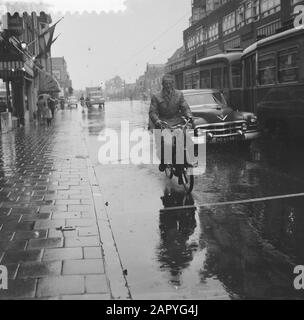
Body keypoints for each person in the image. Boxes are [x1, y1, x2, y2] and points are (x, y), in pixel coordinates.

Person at [149, 74, 194, 185]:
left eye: (170, 84)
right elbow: (153, 112)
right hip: (163, 123)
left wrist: (188, 115)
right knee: (168, 144)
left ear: (173, 84)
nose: (168, 86)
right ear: (163, 85)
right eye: (166, 84)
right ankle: (164, 161)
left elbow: (185, 107)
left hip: (177, 122)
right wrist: (157, 121)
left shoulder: (179, 94)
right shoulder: (156, 96)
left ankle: (182, 166)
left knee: (187, 140)